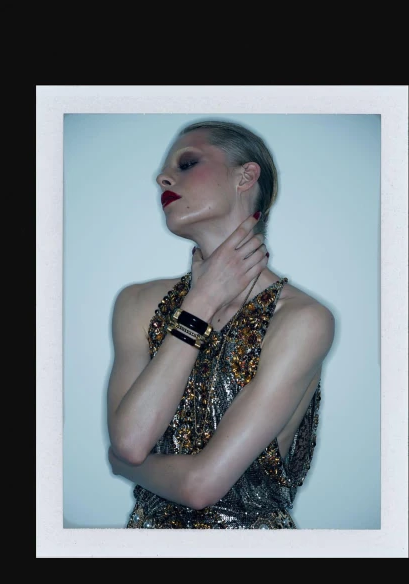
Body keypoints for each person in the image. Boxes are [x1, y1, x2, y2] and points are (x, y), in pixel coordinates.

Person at [107, 119, 335, 529]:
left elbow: (200, 487)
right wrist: (201, 302)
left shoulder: (302, 319)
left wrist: (126, 467)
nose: (162, 178)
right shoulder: (136, 303)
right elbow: (130, 442)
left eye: (187, 163)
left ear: (245, 176)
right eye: (166, 171)